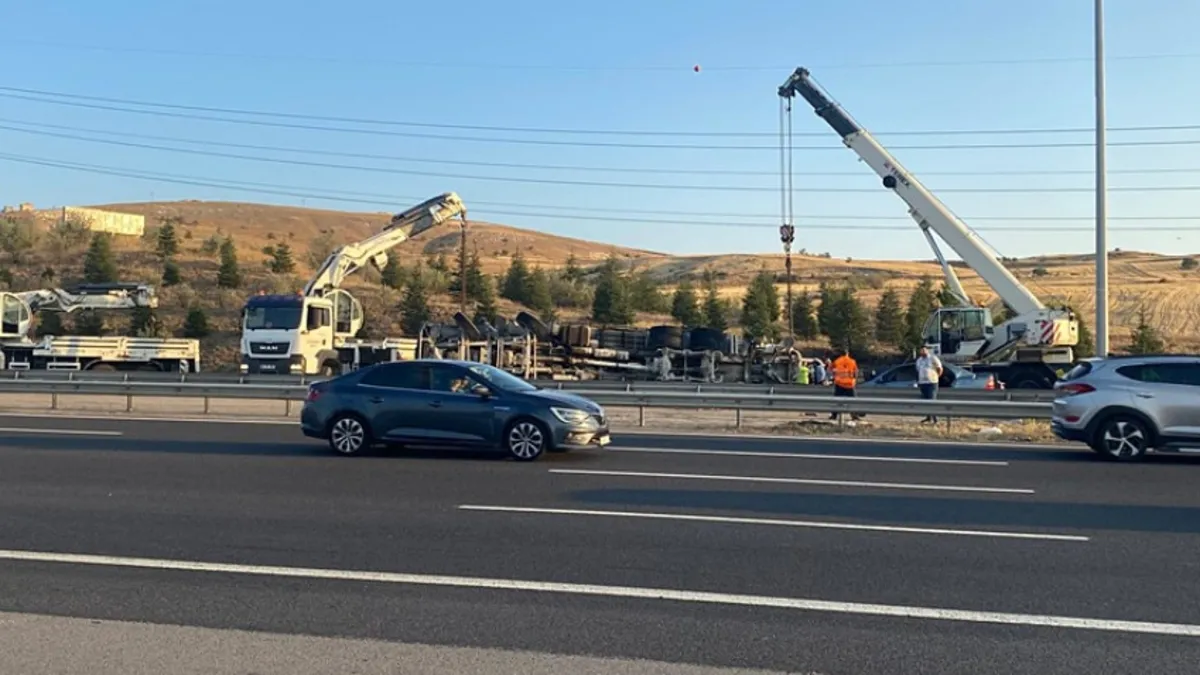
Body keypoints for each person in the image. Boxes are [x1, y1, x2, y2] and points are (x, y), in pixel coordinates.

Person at [829, 348, 860, 422]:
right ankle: (854, 416)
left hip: (839, 384)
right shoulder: (852, 361)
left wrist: (835, 376)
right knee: (853, 401)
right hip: (850, 384)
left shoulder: (837, 361)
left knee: (837, 401)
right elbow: (856, 373)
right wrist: (854, 379)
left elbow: (830, 370)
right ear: (847, 353)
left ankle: (834, 415)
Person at [915, 346, 944, 424]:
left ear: (927, 351)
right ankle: (928, 417)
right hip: (923, 383)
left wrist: (937, 377)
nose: (923, 352)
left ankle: (935, 419)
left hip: (932, 382)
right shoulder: (919, 360)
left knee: (932, 400)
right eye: (921, 350)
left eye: (924, 350)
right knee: (925, 401)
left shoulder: (932, 358)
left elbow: (940, 368)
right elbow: (918, 370)